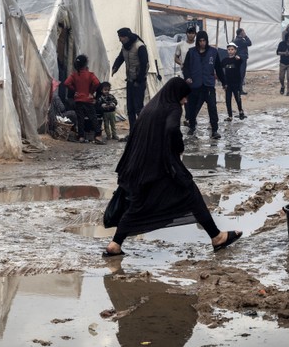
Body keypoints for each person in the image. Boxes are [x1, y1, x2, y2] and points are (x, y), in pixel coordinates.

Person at [102, 77, 242, 256]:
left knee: (137, 205)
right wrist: (178, 148)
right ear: (177, 95)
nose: (185, 101)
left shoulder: (150, 108)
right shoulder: (173, 108)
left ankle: (115, 244)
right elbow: (171, 129)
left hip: (137, 166)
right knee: (190, 193)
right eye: (184, 97)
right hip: (159, 166)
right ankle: (217, 237)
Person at [182, 30, 225, 139]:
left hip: (208, 85)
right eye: (200, 41)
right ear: (197, 41)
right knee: (192, 108)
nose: (202, 43)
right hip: (195, 85)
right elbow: (185, 67)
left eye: (204, 40)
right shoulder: (191, 52)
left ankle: (214, 130)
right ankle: (192, 127)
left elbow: (218, 69)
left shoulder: (213, 52)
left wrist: (224, 82)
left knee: (212, 108)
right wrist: (187, 77)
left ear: (206, 41)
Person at [112, 27, 149, 131]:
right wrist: (115, 67)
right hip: (130, 81)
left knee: (138, 108)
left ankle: (142, 131)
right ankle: (133, 132)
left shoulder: (139, 46)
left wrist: (139, 80)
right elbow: (121, 58)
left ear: (126, 37)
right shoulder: (125, 46)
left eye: (121, 37)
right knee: (130, 109)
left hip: (139, 82)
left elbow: (145, 65)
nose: (120, 39)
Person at [64, 54, 104, 144]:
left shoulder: (74, 75)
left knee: (80, 119)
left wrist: (75, 91)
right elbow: (97, 83)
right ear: (86, 64)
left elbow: (66, 83)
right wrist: (91, 92)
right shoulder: (90, 74)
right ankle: (98, 135)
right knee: (93, 117)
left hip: (78, 100)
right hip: (88, 100)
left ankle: (81, 136)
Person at [221, 42, 245, 121]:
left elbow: (241, 61)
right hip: (228, 84)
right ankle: (230, 115)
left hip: (236, 83)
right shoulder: (225, 60)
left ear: (235, 50)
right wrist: (223, 82)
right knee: (228, 99)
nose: (230, 51)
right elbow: (220, 69)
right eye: (229, 49)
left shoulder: (237, 59)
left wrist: (238, 58)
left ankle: (241, 111)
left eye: (232, 49)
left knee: (237, 98)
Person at [276, 31, 289, 96]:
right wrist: (284, 53)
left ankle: (288, 91)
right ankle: (282, 86)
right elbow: (278, 52)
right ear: (287, 37)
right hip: (283, 63)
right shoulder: (281, 44)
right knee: (281, 77)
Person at [232, 27, 252, 93]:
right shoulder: (240, 40)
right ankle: (240, 90)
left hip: (240, 58)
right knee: (241, 74)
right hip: (242, 58)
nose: (244, 33)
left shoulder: (236, 40)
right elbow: (249, 43)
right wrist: (245, 36)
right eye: (243, 32)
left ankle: (238, 89)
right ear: (241, 33)